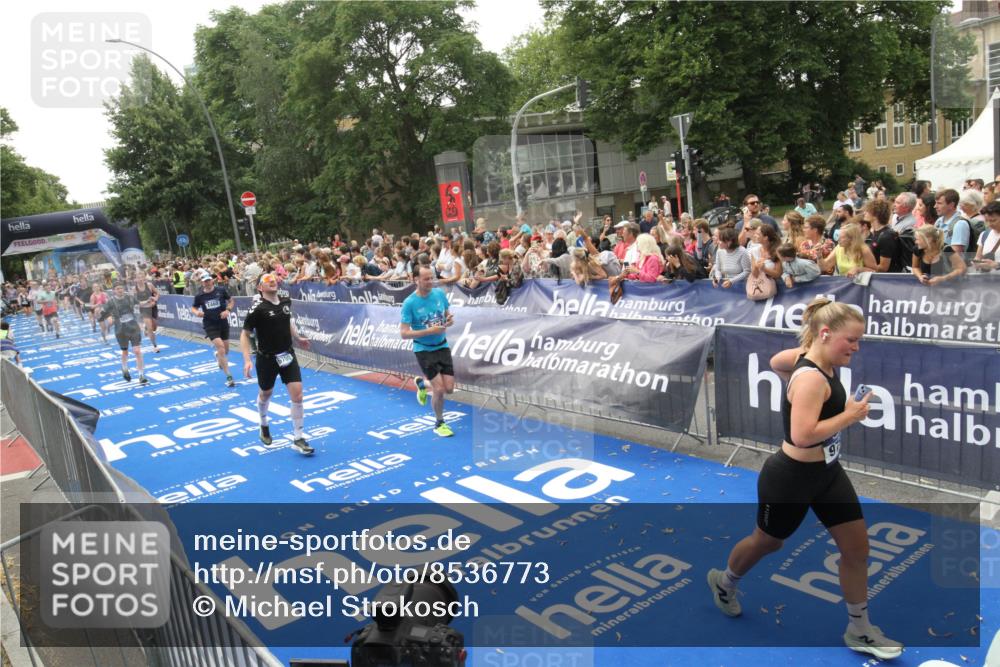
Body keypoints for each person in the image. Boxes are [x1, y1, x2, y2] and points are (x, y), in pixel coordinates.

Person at [707, 298, 902, 661]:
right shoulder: (812, 377)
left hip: (827, 474)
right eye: (852, 340)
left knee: (857, 550)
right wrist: (851, 415)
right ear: (826, 334)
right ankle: (724, 582)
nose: (857, 348)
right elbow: (803, 435)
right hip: (790, 478)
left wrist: (811, 345)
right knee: (767, 543)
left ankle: (859, 628)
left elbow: (776, 362)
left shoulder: (813, 361)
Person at [240, 273, 314, 455]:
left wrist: (297, 338)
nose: (272, 281)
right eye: (267, 280)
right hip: (266, 358)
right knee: (266, 393)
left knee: (297, 395)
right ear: (260, 288)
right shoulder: (256, 309)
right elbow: (244, 334)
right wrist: (247, 359)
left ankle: (298, 438)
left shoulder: (285, 301)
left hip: (287, 355)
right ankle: (263, 423)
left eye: (274, 279)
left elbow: (287, 320)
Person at [400, 266, 456, 438]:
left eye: (431, 278)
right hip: (423, 349)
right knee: (439, 390)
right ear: (416, 279)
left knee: (449, 389)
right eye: (426, 279)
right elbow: (404, 333)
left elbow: (448, 315)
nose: (430, 281)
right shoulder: (410, 303)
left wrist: (449, 320)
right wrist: (429, 331)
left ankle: (422, 384)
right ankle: (439, 422)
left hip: (442, 345)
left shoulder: (439, 294)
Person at [191, 270, 236, 387]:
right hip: (210, 324)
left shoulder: (220, 291)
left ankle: (218, 356)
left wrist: (227, 310)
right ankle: (229, 376)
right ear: (202, 283)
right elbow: (194, 308)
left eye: (209, 280)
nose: (207, 283)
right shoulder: (200, 296)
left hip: (222, 322)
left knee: (225, 351)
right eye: (205, 281)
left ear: (212, 280)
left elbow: (231, 301)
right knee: (220, 347)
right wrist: (197, 313)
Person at [99, 283, 147, 384]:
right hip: (121, 330)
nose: (120, 290)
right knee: (125, 352)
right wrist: (109, 319)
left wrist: (149, 301)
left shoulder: (130, 297)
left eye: (121, 288)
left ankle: (141, 375)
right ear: (114, 291)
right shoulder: (111, 302)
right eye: (117, 289)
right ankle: (125, 369)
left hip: (133, 327)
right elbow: (102, 313)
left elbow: (139, 304)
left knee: (137, 351)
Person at [133, 273, 160, 353]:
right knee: (150, 329)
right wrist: (146, 302)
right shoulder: (135, 289)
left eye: (142, 277)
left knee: (154, 327)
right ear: (136, 279)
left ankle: (146, 328)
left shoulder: (149, 285)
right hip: (144, 310)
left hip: (153, 308)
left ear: (144, 278)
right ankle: (155, 346)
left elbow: (157, 293)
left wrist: (155, 299)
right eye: (138, 277)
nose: (140, 279)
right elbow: (136, 302)